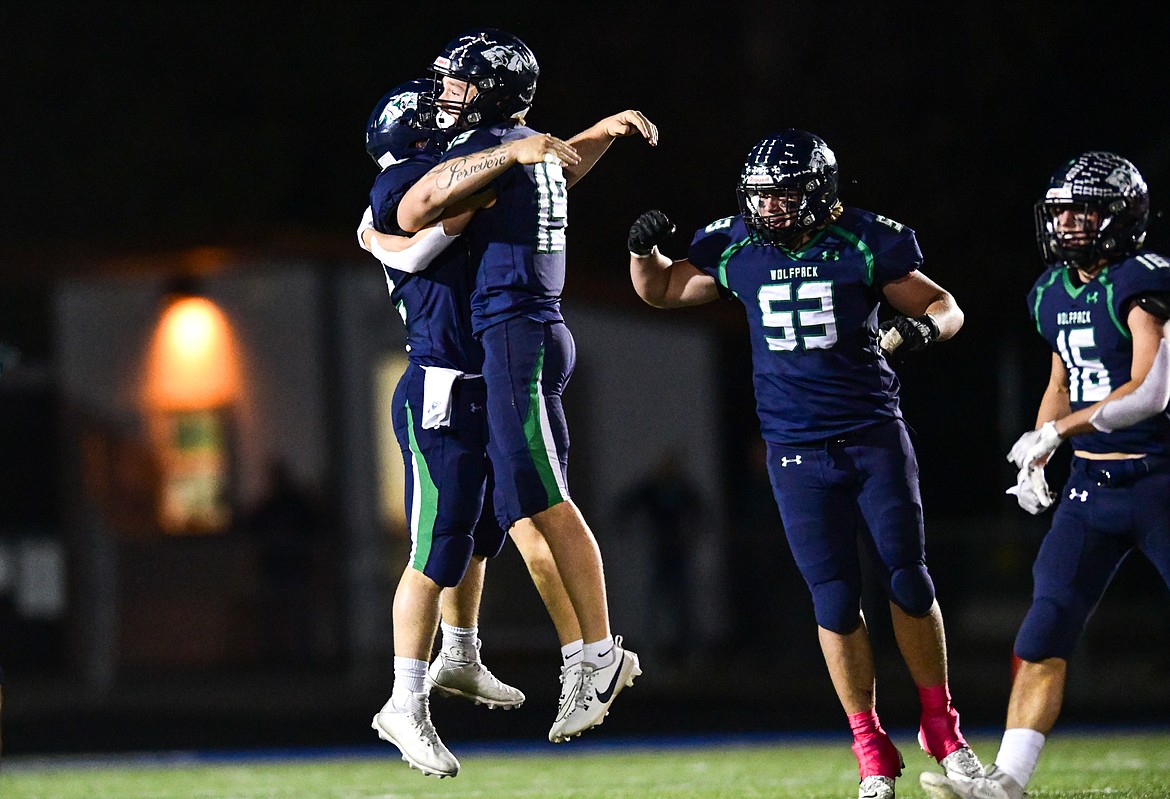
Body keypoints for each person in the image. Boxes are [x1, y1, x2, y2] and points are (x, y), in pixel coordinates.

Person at [626, 129, 984, 799]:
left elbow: (945, 304)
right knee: (832, 597)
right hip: (795, 450)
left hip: (873, 434)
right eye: (762, 199)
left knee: (908, 577)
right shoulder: (737, 244)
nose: (772, 211)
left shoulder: (863, 240)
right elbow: (664, 290)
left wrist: (923, 329)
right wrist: (642, 250)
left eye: (785, 198)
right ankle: (870, 745)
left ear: (820, 195)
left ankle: (943, 727)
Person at [396, 28, 658, 743]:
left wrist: (517, 146)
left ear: (494, 91)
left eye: (460, 81)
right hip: (514, 337)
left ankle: (600, 651)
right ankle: (581, 655)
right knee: (522, 508)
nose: (447, 93)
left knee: (544, 500)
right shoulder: (523, 149)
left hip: (518, 335)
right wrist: (595, 134)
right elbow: (551, 168)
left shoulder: (504, 148)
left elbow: (419, 207)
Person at [921, 152, 1170, 799]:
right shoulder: (1052, 292)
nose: (1065, 222)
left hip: (1160, 479)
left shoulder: (1144, 281)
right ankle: (1007, 781)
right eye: (1060, 209)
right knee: (1043, 627)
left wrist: (1058, 432)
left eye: (1081, 209)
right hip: (1092, 489)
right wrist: (1038, 451)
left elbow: (1149, 393)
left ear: (1120, 216)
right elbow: (1061, 379)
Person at [358, 80, 582, 778]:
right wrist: (501, 167)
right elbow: (415, 240)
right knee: (436, 547)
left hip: (481, 384)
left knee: (478, 538)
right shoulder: (400, 185)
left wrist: (570, 143)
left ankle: (460, 651)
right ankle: (404, 700)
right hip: (439, 389)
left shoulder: (457, 176)